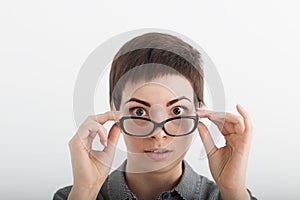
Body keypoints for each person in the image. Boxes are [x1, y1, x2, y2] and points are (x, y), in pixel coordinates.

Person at [53, 32, 257, 200]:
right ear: (114, 111)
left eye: (177, 111)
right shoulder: (74, 196)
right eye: (139, 112)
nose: (158, 134)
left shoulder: (229, 196)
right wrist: (86, 191)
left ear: (199, 111)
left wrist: (233, 191)